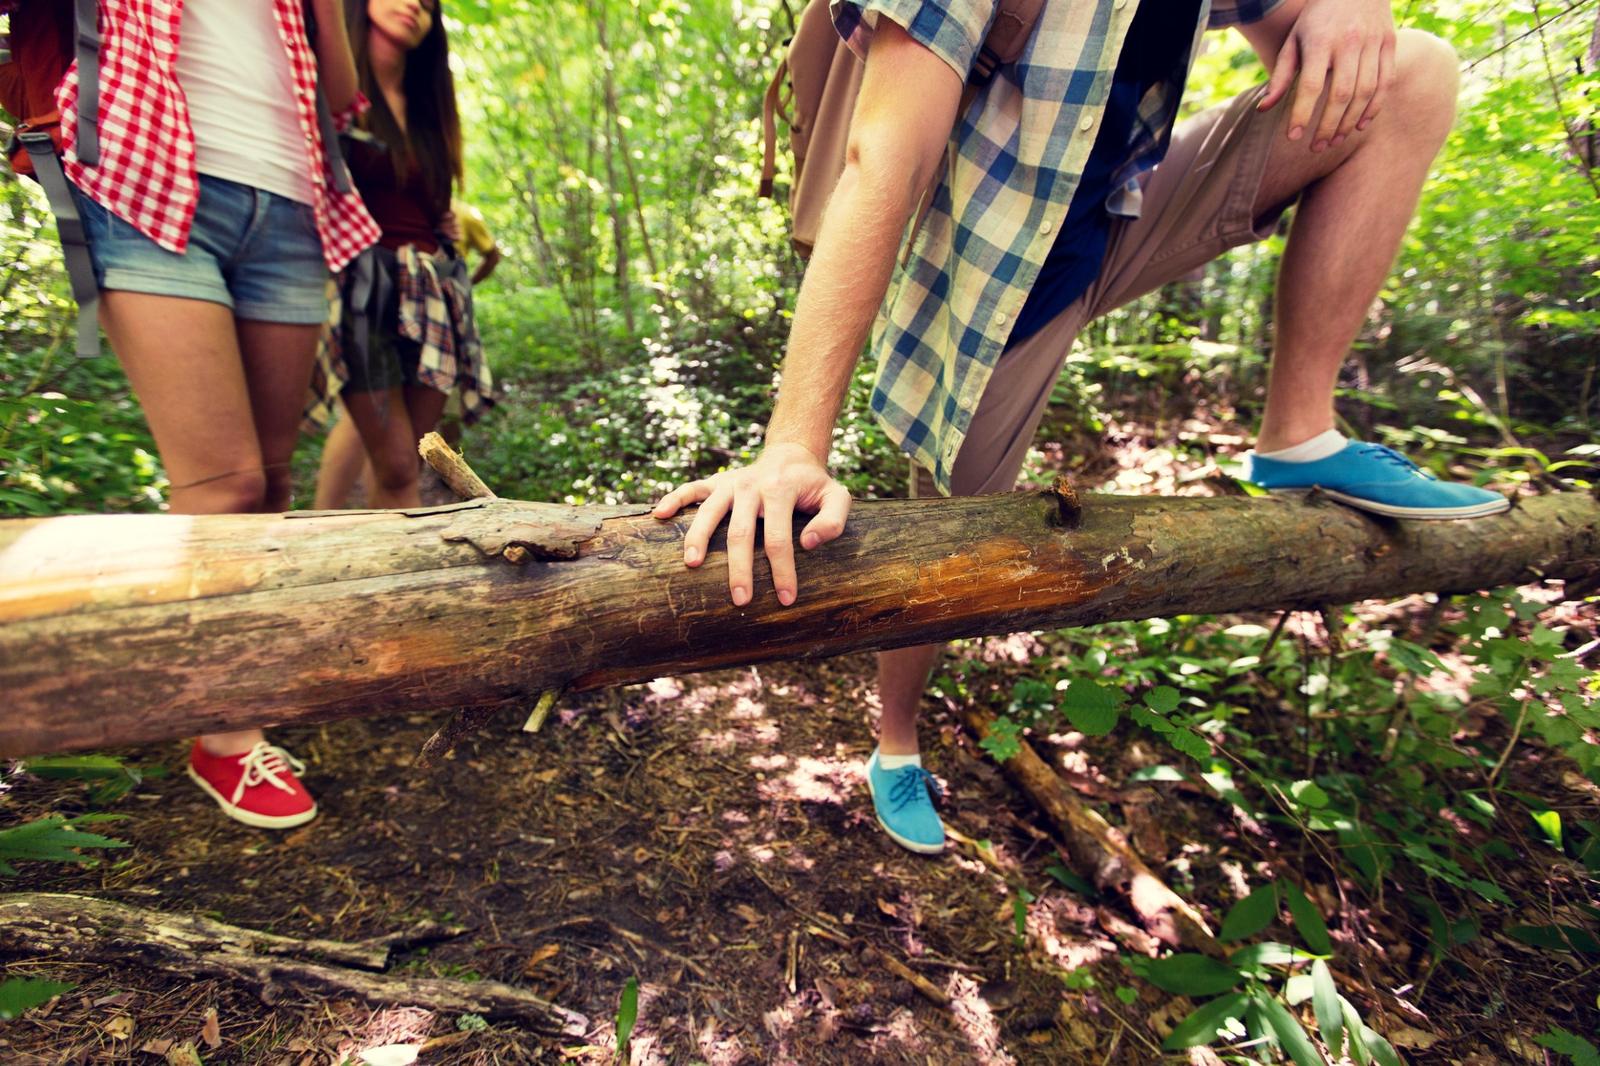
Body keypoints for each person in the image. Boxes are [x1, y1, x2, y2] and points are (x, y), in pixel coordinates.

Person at [653, 0, 1509, 854]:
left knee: (1413, 72)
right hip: (993, 276)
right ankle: (896, 744)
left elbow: (1304, 58)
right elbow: (886, 153)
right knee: (956, 536)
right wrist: (796, 440)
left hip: (1130, 210)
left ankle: (1299, 434)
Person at [54, 0, 381, 828]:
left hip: (291, 199)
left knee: (269, 487)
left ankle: (240, 709)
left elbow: (343, 93)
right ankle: (224, 735)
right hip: (141, 181)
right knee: (222, 486)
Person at [314, 0, 492, 511]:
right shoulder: (334, 89)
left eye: (431, 5)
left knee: (408, 464)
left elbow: (430, 199)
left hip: (433, 294)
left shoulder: (428, 107)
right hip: (362, 293)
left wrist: (446, 223)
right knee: (392, 462)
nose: (416, 5)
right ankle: (324, 540)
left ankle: (386, 581)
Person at [311, 199, 500, 509]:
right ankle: (324, 514)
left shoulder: (460, 215)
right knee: (374, 435)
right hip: (375, 299)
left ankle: (431, 488)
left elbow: (491, 254)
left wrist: (464, 284)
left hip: (437, 314)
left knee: (409, 446)